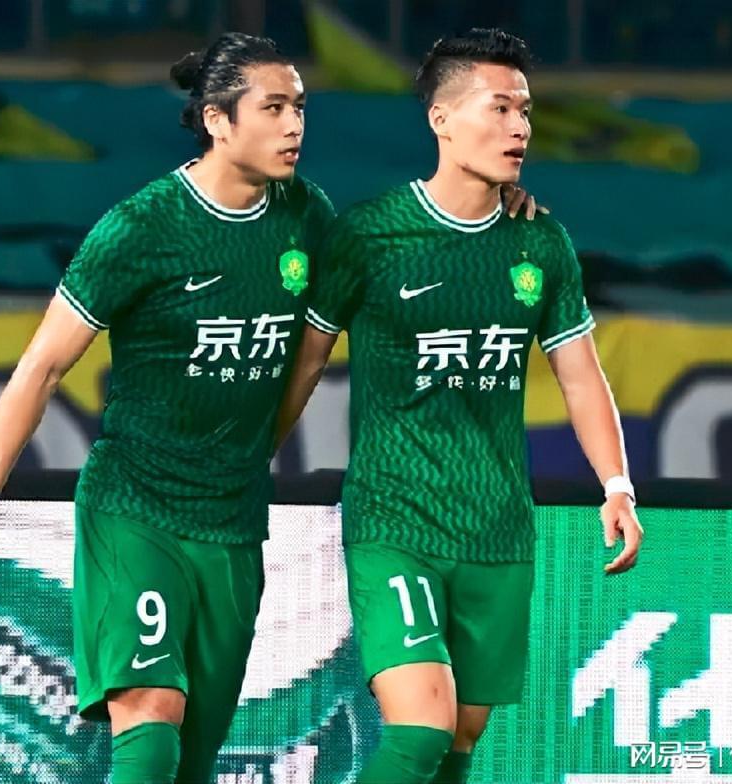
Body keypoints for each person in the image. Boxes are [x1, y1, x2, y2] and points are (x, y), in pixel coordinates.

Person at [0, 32, 333, 784]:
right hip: (135, 507)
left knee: (193, 761)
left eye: (300, 107)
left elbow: (327, 335)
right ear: (218, 120)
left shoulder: (307, 216)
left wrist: (494, 203)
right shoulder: (141, 228)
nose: (295, 125)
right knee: (151, 724)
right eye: (274, 108)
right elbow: (42, 367)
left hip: (232, 523)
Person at [276, 28, 644, 784]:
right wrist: (247, 462)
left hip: (497, 527)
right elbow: (305, 360)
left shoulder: (540, 243)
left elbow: (580, 376)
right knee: (421, 730)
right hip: (395, 520)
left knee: (459, 743)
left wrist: (617, 484)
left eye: (526, 111)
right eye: (499, 107)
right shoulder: (370, 235)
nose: (520, 127)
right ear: (441, 119)